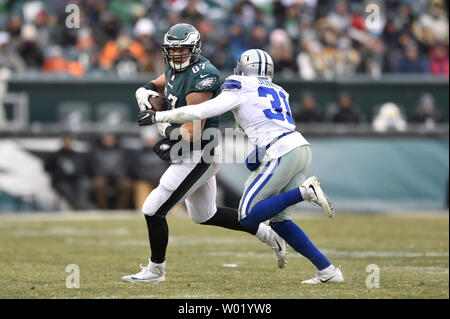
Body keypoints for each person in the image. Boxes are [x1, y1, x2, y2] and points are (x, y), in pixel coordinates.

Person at [139, 49, 344, 284]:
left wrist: (159, 118)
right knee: (280, 221)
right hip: (300, 148)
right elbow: (271, 124)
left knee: (247, 216)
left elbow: (201, 111)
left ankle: (304, 192)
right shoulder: (279, 90)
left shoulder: (239, 83)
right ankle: (328, 271)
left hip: (282, 151)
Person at [122, 24, 287, 284]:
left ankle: (156, 270)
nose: (177, 55)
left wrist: (164, 129)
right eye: (172, 50)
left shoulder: (204, 75)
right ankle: (266, 233)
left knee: (153, 209)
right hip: (191, 150)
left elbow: (192, 131)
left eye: (183, 50)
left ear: (195, 49)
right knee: (205, 215)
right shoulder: (176, 66)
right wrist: (145, 89)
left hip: (200, 151)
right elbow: (162, 81)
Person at [44, 136, 90, 210]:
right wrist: (58, 173)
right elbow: (47, 168)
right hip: (60, 180)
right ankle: (75, 206)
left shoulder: (76, 155)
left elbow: (81, 168)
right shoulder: (55, 155)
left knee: (83, 184)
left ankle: (82, 203)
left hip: (75, 179)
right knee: (65, 188)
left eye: (70, 141)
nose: (68, 143)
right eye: (66, 141)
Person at [89, 134, 132, 210]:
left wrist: (120, 174)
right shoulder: (96, 152)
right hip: (102, 177)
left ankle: (120, 210)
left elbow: (126, 166)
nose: (108, 141)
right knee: (99, 183)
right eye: (106, 139)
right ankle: (103, 209)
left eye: (110, 139)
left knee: (126, 184)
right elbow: (92, 167)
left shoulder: (121, 152)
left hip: (118, 177)